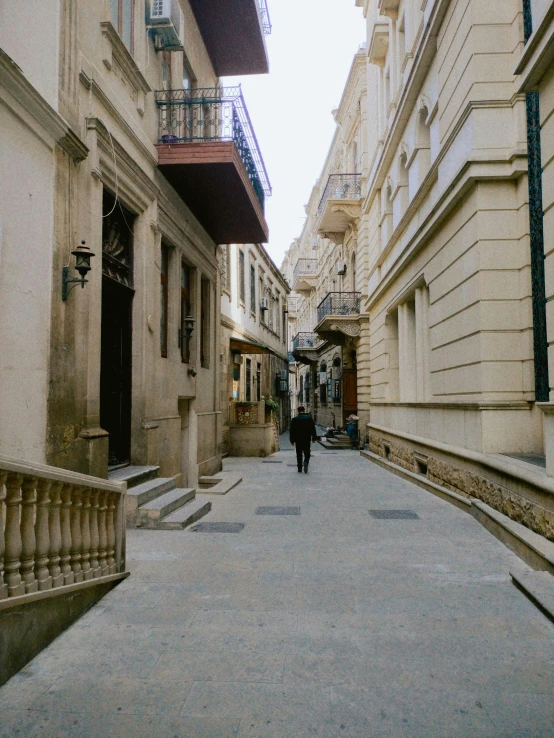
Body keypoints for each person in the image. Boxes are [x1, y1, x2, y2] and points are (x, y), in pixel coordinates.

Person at [290, 406, 317, 473]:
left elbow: (292, 431)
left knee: (299, 453)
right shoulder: (309, 419)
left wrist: (292, 440)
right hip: (307, 439)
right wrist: (314, 438)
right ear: (304, 410)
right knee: (307, 453)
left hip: (298, 440)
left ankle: (299, 468)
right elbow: (313, 429)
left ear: (298, 411)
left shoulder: (294, 419)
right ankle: (306, 462)